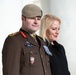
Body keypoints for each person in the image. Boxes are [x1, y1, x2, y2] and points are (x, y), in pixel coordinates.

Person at [2, 4, 52, 75]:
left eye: (38, 18)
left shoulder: (41, 41)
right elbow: (10, 71)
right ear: (23, 18)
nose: (36, 22)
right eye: (32, 18)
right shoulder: (14, 40)